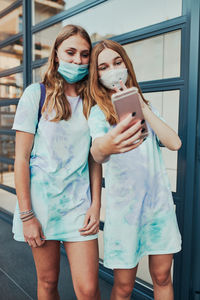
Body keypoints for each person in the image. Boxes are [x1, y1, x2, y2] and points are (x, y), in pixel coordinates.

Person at [86, 39, 182, 300]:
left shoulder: (148, 107)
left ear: (126, 65)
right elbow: (97, 152)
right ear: (97, 75)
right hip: (125, 213)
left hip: (158, 209)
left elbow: (174, 142)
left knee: (162, 277)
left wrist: (142, 107)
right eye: (104, 66)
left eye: (117, 62)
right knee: (124, 287)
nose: (113, 70)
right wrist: (109, 143)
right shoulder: (97, 114)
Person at [12, 24, 102, 300]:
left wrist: (96, 204)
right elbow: (21, 159)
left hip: (78, 207)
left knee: (88, 290)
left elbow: (94, 157)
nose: (78, 60)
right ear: (56, 55)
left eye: (85, 54)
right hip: (41, 208)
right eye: (71, 52)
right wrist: (27, 215)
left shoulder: (93, 101)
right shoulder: (34, 95)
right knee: (48, 283)